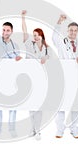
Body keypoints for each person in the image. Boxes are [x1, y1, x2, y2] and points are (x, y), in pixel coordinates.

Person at [0, 0, 22, 138]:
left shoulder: (16, 46)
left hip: (10, 78)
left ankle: (12, 128)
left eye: (7, 30)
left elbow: (16, 63)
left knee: (13, 105)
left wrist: (18, 60)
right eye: (3, 30)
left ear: (11, 32)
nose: (5, 32)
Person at [52, 14, 78, 139]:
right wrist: (59, 21)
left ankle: (74, 128)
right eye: (71, 30)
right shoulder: (62, 41)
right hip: (63, 76)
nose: (73, 32)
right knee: (61, 104)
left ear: (77, 32)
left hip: (76, 78)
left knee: (76, 104)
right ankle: (60, 129)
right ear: (68, 31)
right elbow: (54, 36)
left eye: (75, 30)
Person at [21, 10, 51, 140]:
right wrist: (23, 18)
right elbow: (24, 31)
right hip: (30, 78)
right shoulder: (29, 44)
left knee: (39, 106)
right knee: (31, 105)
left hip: (41, 80)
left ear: (42, 36)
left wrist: (46, 58)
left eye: (38, 35)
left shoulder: (47, 48)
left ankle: (38, 130)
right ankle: (32, 129)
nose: (36, 37)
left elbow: (49, 60)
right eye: (34, 35)